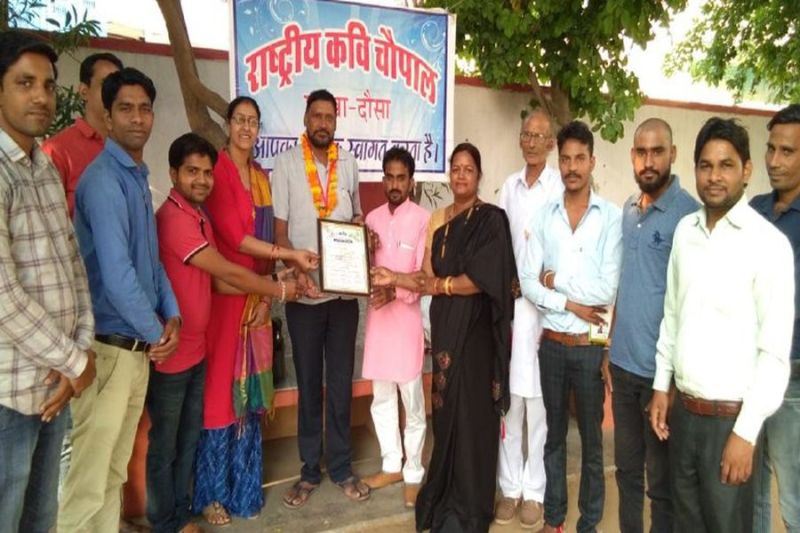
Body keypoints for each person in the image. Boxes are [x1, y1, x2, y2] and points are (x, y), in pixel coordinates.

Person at [649, 117, 794, 533]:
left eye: (726, 165)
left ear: (746, 170)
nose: (714, 176)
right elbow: (672, 314)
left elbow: (774, 355)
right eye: (706, 165)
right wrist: (661, 385)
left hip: (730, 422)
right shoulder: (685, 232)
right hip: (684, 416)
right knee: (685, 524)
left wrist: (745, 434)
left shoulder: (768, 245)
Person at [151, 132, 301, 533]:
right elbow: (228, 266)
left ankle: (211, 502)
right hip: (187, 339)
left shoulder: (203, 213)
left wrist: (267, 291)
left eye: (206, 173)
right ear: (173, 174)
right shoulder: (175, 219)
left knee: (212, 421)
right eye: (192, 172)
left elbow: (221, 280)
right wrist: (278, 287)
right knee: (183, 433)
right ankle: (185, 510)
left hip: (226, 320)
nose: (201, 180)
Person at [58, 67, 182, 533]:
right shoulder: (104, 181)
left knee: (112, 473)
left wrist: (172, 314)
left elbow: (151, 263)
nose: (137, 118)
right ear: (107, 117)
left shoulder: (136, 178)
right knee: (88, 482)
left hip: (135, 351)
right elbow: (116, 275)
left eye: (145, 109)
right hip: (109, 350)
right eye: (125, 109)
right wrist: (157, 334)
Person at [372, 142, 516, 532]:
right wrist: (393, 277)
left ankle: (471, 504)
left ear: (479, 175)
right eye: (456, 168)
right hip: (446, 329)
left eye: (468, 169)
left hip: (477, 331)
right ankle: (447, 491)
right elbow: (425, 277)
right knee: (448, 409)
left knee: (473, 412)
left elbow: (484, 279)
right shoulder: (438, 219)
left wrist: (444, 286)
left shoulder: (491, 220)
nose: (461, 175)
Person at [192, 97, 317, 525]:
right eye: (240, 120)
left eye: (253, 122)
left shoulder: (261, 177)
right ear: (228, 124)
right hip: (226, 300)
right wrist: (291, 258)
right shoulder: (218, 172)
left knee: (249, 403)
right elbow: (237, 239)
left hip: (257, 301)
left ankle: (244, 491)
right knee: (219, 398)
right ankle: (211, 495)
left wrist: (268, 296)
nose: (246, 128)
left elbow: (263, 247)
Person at [0, 30, 96, 533]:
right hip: (10, 392)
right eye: (25, 83)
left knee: (41, 518)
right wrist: (76, 361)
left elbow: (72, 266)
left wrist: (78, 354)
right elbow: (3, 296)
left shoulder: (41, 167)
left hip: (55, 387)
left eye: (47, 84)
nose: (40, 95)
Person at [520, 120, 622, 533]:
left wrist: (555, 279)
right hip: (553, 345)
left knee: (593, 445)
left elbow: (606, 287)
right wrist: (571, 303)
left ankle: (589, 523)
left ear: (592, 161)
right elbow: (529, 282)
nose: (572, 167)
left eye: (580, 158)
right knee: (554, 438)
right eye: (565, 159)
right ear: (557, 161)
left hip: (590, 347)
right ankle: (555, 518)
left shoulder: (611, 217)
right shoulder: (544, 216)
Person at [272, 89, 369, 508]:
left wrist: (363, 233)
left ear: (336, 121)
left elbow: (356, 217)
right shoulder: (285, 163)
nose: (323, 123)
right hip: (303, 295)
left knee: (341, 383)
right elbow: (279, 233)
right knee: (309, 384)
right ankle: (310, 470)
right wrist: (296, 272)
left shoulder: (349, 163)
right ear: (306, 119)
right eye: (317, 116)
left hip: (344, 296)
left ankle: (342, 467)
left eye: (330, 117)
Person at [608, 118, 698, 533]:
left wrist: (673, 380)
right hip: (623, 369)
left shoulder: (689, 217)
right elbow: (625, 284)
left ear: (672, 154)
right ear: (632, 156)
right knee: (626, 473)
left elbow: (690, 304)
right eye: (641, 152)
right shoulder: (629, 211)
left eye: (657, 151)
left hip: (661, 378)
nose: (648, 161)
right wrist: (609, 347)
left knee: (661, 485)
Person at [495, 110, 562, 529]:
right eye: (527, 134)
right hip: (511, 310)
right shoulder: (509, 187)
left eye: (540, 136)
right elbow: (498, 242)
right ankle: (509, 488)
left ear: (551, 143)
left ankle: (534, 491)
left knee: (538, 407)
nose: (532, 141)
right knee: (509, 405)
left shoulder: (560, 187)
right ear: (520, 140)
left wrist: (544, 281)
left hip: (546, 312)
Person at [361, 147, 430, 508]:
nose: (394, 184)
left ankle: (413, 471)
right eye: (389, 177)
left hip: (405, 324)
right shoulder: (371, 220)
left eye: (401, 178)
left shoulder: (423, 220)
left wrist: (395, 291)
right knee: (382, 398)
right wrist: (362, 247)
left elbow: (423, 277)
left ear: (411, 181)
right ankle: (391, 464)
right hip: (378, 324)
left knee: (412, 402)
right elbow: (359, 271)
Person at [749, 104, 800, 533]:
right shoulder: (754, 210)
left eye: (787, 151)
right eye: (771, 148)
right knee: (750, 492)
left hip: (793, 383)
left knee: (794, 498)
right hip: (748, 373)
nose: (774, 160)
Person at [42, 52, 122, 218]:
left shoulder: (125, 146)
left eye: (117, 87)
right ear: (84, 91)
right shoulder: (57, 150)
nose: (113, 93)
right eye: (105, 84)